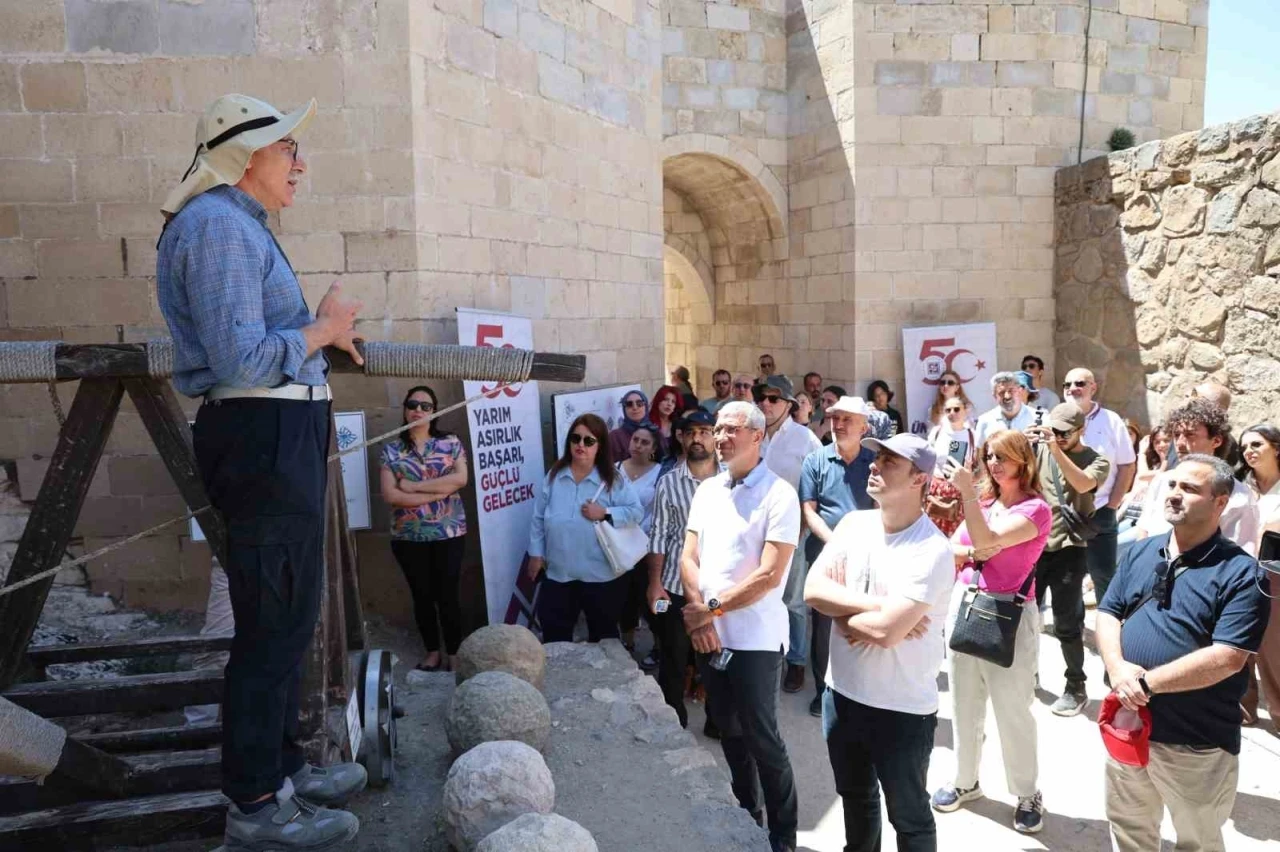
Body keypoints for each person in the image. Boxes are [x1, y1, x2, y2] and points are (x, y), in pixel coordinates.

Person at [156, 93, 366, 848]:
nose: (299, 164)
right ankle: (253, 803)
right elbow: (242, 360)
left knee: (288, 615)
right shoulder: (217, 227)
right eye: (287, 149)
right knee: (272, 625)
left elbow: (253, 344)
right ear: (245, 157)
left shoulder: (236, 225)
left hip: (275, 433)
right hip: (260, 437)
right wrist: (322, 328)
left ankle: (282, 771)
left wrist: (319, 335)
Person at [1097, 455, 1270, 852]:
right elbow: (1108, 612)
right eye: (1173, 485)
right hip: (1129, 725)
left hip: (1195, 742)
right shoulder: (1142, 552)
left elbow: (1228, 656)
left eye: (1190, 489)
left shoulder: (1242, 573)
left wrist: (1145, 684)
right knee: (1129, 831)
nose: (1175, 494)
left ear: (1220, 502)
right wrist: (1118, 669)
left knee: (1198, 842)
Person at [805, 433, 954, 852]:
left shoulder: (931, 549)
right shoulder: (854, 525)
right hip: (842, 694)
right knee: (856, 798)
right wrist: (881, 608)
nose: (874, 465)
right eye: (877, 457)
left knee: (909, 817)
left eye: (890, 461)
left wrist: (843, 611)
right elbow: (813, 591)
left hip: (901, 709)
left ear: (919, 479)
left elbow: (887, 633)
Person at [680, 402, 800, 852]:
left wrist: (709, 611)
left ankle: (783, 837)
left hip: (755, 641)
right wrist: (699, 615)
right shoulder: (708, 490)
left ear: (757, 436)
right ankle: (748, 816)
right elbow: (688, 557)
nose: (721, 437)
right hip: (710, 637)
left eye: (731, 429)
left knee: (763, 740)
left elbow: (769, 575)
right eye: (718, 429)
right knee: (728, 731)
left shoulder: (779, 495)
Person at [932, 430, 1051, 834]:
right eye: (989, 456)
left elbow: (985, 538)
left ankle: (1027, 792)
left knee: (1012, 709)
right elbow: (952, 547)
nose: (994, 464)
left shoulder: (1036, 509)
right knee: (964, 702)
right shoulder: (985, 503)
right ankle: (965, 781)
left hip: (1008, 614)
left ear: (1023, 460)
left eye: (1003, 456)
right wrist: (973, 550)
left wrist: (967, 497)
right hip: (966, 604)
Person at [1025, 403, 1110, 716]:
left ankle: (1076, 686)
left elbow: (1084, 484)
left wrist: (1055, 450)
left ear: (1081, 430)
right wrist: (1021, 444)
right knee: (1025, 616)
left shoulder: (1097, 460)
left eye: (1064, 433)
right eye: (1054, 431)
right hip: (1034, 547)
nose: (1058, 437)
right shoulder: (1039, 450)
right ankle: (1026, 674)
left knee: (1067, 623)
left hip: (1070, 549)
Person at [528, 413, 643, 642]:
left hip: (600, 577)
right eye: (576, 438)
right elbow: (538, 518)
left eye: (588, 440)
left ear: (600, 446)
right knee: (554, 638)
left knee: (604, 639)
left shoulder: (613, 479)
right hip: (558, 574)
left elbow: (636, 512)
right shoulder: (554, 475)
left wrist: (605, 513)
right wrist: (536, 554)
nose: (580, 445)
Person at [379, 386, 469, 673]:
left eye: (426, 406)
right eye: (413, 404)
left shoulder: (450, 442)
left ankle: (454, 653)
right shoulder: (392, 449)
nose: (418, 409)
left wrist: (414, 486)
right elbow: (391, 495)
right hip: (408, 536)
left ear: (435, 411)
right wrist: (438, 493)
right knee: (422, 595)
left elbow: (461, 479)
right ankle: (432, 652)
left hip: (448, 533)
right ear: (405, 409)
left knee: (448, 594)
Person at [798, 397, 877, 716]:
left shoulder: (875, 461)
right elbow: (809, 511)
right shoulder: (815, 460)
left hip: (868, 554)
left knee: (862, 618)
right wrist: (837, 543)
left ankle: (859, 688)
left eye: (847, 419)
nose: (838, 424)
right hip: (825, 553)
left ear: (864, 427)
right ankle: (823, 690)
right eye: (835, 418)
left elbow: (881, 507)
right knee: (823, 624)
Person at [647, 410, 720, 728]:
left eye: (704, 431)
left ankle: (718, 721)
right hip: (674, 589)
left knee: (717, 656)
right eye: (691, 433)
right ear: (681, 438)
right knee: (673, 657)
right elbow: (658, 535)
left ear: (715, 437)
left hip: (719, 590)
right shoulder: (668, 483)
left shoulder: (734, 479)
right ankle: (673, 720)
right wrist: (654, 583)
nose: (697, 438)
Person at [759, 378, 823, 693]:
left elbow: (817, 484)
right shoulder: (752, 433)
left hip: (792, 533)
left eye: (774, 398)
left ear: (788, 404)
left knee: (793, 601)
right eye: (762, 397)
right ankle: (766, 654)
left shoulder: (805, 438)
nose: (766, 403)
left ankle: (796, 661)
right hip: (754, 531)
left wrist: (803, 526)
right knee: (759, 594)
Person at [1134, 400, 1260, 555]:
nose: (1180, 443)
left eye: (1190, 435)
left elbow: (1240, 552)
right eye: (1176, 435)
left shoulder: (1238, 496)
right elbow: (1144, 530)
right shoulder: (1161, 481)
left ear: (1216, 440)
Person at [1061, 367, 1137, 604]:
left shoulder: (1111, 420)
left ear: (1093, 388)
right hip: (1064, 513)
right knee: (1066, 580)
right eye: (1067, 384)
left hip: (1101, 510)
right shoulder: (1054, 420)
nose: (1073, 388)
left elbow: (1127, 465)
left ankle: (1108, 622)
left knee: (1103, 577)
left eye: (1080, 383)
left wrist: (1112, 505)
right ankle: (1071, 626)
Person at [1238, 424, 1280, 728]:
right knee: (1239, 645)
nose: (1248, 451)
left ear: (1276, 448)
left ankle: (1278, 713)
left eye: (1256, 444)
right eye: (1244, 447)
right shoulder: (1241, 487)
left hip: (1275, 577)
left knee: (1273, 649)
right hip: (1240, 571)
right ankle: (1243, 709)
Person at [617, 424, 665, 652]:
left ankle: (660, 645)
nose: (638, 445)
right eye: (635, 439)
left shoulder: (661, 472)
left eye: (645, 442)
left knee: (654, 599)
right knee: (624, 598)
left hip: (649, 548)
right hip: (619, 546)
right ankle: (627, 642)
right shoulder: (615, 469)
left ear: (654, 448)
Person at [924, 396, 978, 539]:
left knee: (958, 536)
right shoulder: (937, 432)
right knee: (934, 534)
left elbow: (980, 466)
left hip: (960, 491)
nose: (952, 413)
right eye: (948, 410)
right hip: (937, 491)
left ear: (965, 411)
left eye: (956, 409)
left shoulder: (972, 435)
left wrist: (970, 480)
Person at [973, 371, 1038, 447]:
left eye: (1011, 391)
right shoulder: (985, 421)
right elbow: (979, 451)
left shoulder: (1037, 418)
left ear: (1019, 391)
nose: (1007, 396)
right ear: (994, 396)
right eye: (1001, 393)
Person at [609, 388, 650, 462]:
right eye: (629, 404)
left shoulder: (655, 432)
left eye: (639, 403)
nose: (635, 407)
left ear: (646, 406)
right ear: (624, 409)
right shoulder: (614, 437)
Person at [648, 385, 685, 455]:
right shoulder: (648, 423)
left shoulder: (678, 424)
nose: (669, 404)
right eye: (665, 399)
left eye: (673, 402)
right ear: (658, 401)